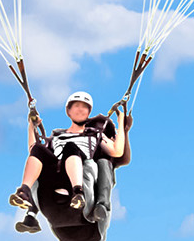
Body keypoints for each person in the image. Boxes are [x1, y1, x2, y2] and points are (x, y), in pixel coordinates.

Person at [8, 91, 128, 232]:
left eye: (84, 107)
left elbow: (117, 151)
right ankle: (24, 192)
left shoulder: (95, 134)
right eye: (76, 106)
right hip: (55, 172)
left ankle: (78, 193)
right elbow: (33, 151)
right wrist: (31, 126)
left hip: (80, 172)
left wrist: (121, 121)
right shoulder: (57, 134)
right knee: (39, 148)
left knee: (70, 147)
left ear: (88, 112)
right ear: (68, 111)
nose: (80, 109)